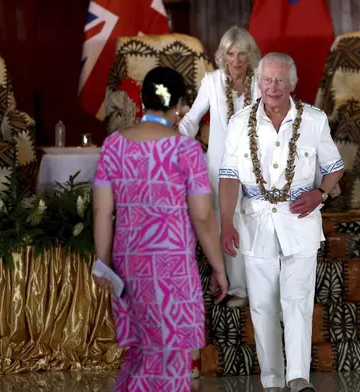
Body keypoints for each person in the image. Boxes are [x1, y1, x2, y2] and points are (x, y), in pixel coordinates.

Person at [93, 66, 228, 392]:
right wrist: (218, 267)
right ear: (180, 105)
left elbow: (102, 210)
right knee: (169, 359)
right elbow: (202, 217)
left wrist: (102, 261)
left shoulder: (114, 145)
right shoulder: (187, 150)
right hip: (171, 267)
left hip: (129, 262)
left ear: (142, 100)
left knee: (141, 353)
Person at [218, 52, 344, 392]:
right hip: (255, 224)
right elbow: (229, 177)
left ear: (292, 83)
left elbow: (335, 167)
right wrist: (226, 224)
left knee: (298, 301)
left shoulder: (314, 120)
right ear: (258, 83)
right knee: (261, 305)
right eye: (267, 80)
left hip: (300, 222)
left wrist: (321, 194)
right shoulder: (238, 123)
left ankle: (298, 377)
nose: (272, 87)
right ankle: (272, 380)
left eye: (279, 80)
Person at [179, 25, 261, 308]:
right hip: (217, 165)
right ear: (223, 56)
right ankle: (234, 286)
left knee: (248, 221)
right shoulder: (212, 82)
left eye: (242, 54)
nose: (237, 60)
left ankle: (253, 286)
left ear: (251, 57)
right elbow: (191, 120)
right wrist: (172, 138)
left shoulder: (260, 82)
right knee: (222, 221)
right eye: (231, 53)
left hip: (254, 165)